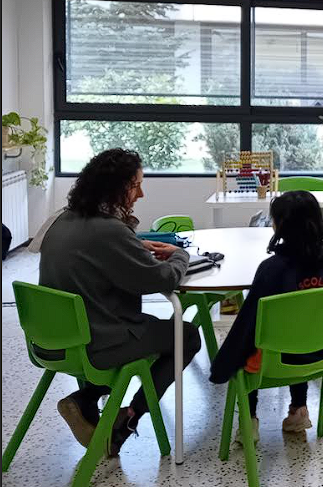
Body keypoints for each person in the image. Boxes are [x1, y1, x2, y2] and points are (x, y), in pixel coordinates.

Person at [35, 148, 200, 456]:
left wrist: (132, 245)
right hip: (95, 343)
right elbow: (162, 280)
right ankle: (126, 420)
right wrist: (181, 255)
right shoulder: (109, 230)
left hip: (52, 341)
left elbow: (96, 255)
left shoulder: (63, 219)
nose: (141, 194)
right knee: (187, 335)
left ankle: (85, 399)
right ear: (116, 188)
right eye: (136, 185)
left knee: (151, 333)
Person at [210, 190, 323, 439]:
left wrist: (223, 364)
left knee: (253, 346)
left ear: (280, 226)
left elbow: (248, 325)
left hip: (275, 361)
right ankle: (299, 410)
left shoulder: (271, 269)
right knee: (300, 330)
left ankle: (249, 420)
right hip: (322, 353)